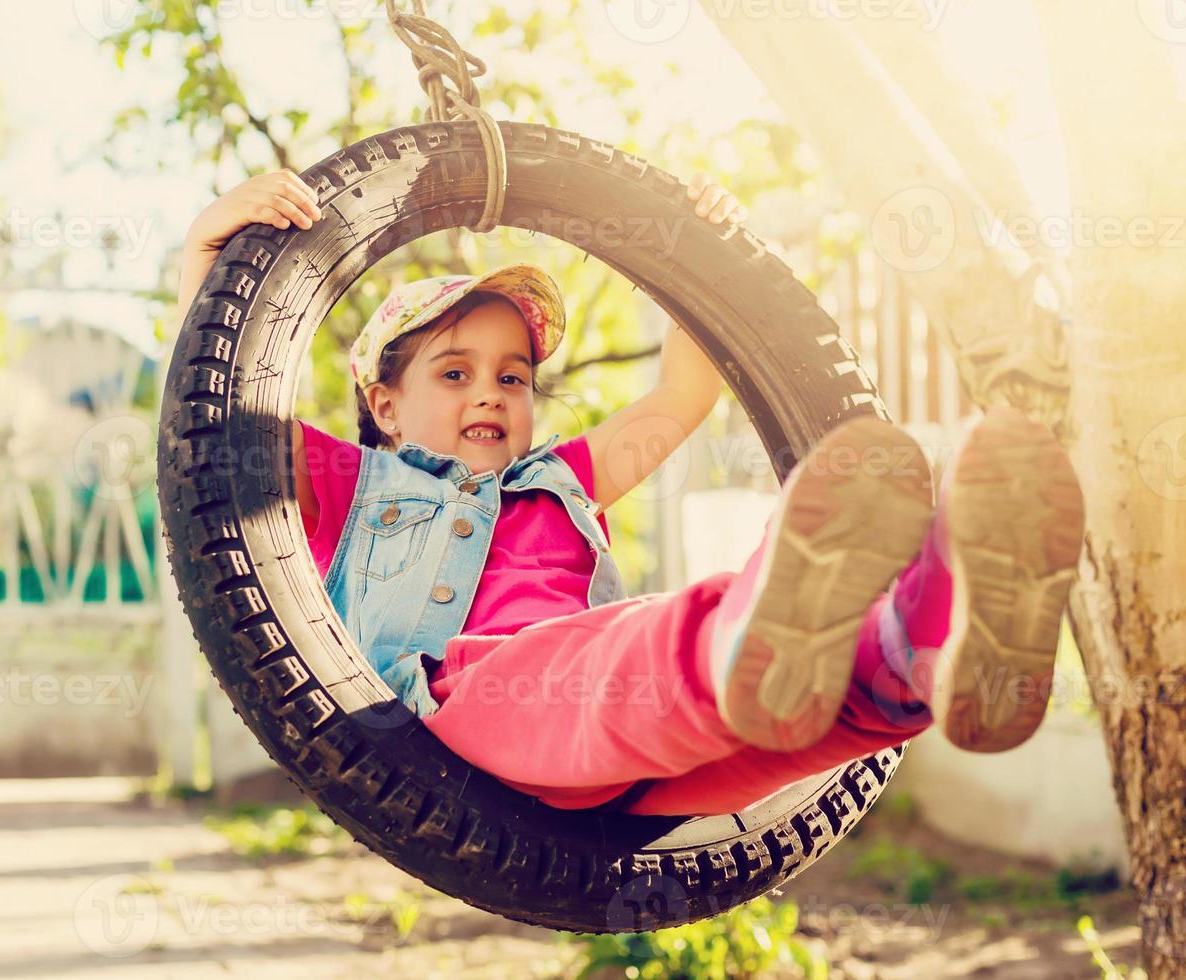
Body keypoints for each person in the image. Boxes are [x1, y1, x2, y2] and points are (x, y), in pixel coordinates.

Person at [176, 167, 1086, 817]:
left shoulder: (561, 478)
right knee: (652, 655)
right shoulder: (356, 481)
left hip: (640, 754)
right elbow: (223, 414)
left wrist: (703, 259)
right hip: (468, 727)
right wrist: (204, 265)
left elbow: (685, 393)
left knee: (789, 723)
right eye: (453, 374)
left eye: (515, 376)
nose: (491, 391)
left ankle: (931, 631)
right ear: (384, 403)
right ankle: (755, 629)